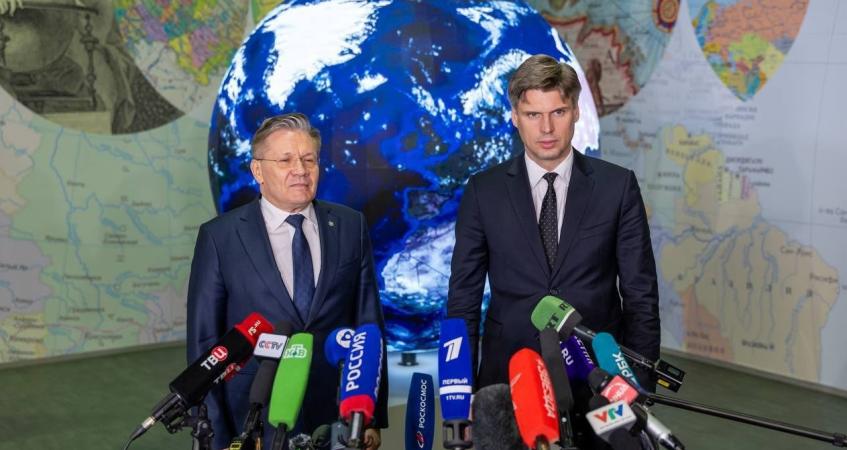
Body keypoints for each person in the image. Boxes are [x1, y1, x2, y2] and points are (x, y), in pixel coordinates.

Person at [447, 54, 659, 444]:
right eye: (533, 114)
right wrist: (460, 393)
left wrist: (638, 384)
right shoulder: (483, 191)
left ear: (576, 112)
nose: (546, 128)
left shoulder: (617, 187)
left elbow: (641, 294)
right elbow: (463, 301)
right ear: (515, 117)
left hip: (599, 381)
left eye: (558, 112)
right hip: (507, 380)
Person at [187, 113, 387, 450]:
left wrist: (371, 417)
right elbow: (204, 343)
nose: (301, 170)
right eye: (285, 160)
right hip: (254, 417)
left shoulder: (350, 226)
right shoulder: (220, 237)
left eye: (309, 159)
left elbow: (369, 326)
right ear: (258, 171)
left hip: (336, 414)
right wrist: (214, 437)